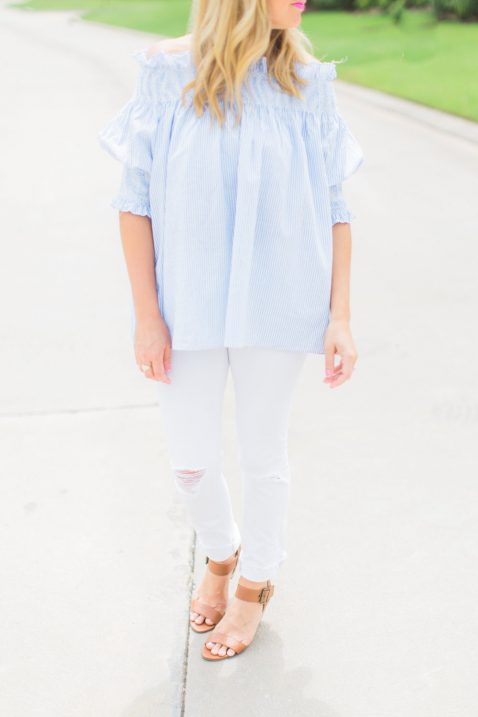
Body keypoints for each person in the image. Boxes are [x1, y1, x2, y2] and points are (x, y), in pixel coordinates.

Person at [97, 0, 364, 662]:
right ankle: (222, 550)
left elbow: (334, 206)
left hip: (279, 300)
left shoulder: (306, 87)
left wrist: (340, 316)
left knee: (262, 454)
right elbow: (135, 202)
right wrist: (147, 314)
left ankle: (254, 581)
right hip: (185, 307)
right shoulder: (167, 77)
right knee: (191, 460)